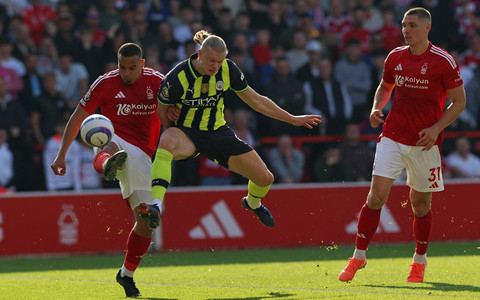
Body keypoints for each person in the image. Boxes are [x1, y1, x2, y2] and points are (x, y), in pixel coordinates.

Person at [338, 7, 466, 283]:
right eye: (404, 25)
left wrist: (435, 129)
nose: (406, 29)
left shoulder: (443, 61)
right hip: (393, 136)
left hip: (425, 143)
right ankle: (358, 257)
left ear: (427, 28)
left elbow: (460, 102)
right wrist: (376, 108)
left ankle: (419, 261)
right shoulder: (395, 56)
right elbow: (385, 87)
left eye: (412, 25)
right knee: (375, 197)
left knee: (420, 205)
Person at [150, 30, 321, 229]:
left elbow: (257, 101)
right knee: (167, 140)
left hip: (218, 133)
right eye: (212, 61)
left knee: (265, 178)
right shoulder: (177, 77)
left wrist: (292, 119)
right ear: (200, 55)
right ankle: (156, 206)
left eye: (220, 61)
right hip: (187, 134)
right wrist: (173, 129)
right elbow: (161, 111)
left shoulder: (228, 69)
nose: (216, 66)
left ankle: (252, 203)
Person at [50, 43, 173, 298]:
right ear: (116, 64)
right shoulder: (105, 83)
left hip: (143, 155)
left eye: (131, 68)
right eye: (121, 67)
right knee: (104, 136)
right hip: (115, 139)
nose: (126, 73)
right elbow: (77, 115)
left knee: (146, 224)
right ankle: (107, 163)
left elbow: (178, 108)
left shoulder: (158, 82)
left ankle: (126, 275)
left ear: (142, 63)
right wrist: (61, 154)